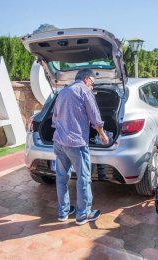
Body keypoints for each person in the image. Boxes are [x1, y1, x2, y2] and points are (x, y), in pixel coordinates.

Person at [52, 68, 109, 225]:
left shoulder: (63, 92)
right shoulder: (84, 91)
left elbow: (54, 118)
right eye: (93, 83)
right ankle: (83, 215)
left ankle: (63, 212)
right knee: (83, 179)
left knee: (62, 179)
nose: (93, 87)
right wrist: (102, 135)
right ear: (87, 79)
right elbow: (95, 118)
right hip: (76, 144)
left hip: (59, 142)